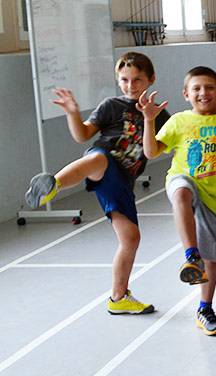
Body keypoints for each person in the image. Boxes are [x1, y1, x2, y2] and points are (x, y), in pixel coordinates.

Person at [24, 52, 169, 315]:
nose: (130, 85)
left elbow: (154, 151)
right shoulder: (111, 105)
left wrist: (151, 118)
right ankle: (54, 185)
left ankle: (118, 298)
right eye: (124, 80)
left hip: (124, 181)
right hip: (103, 163)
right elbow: (82, 135)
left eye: (137, 80)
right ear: (118, 80)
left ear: (151, 80)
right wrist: (72, 113)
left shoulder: (158, 113)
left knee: (131, 239)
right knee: (98, 158)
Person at [138, 66, 216, 335]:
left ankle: (205, 308)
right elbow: (151, 151)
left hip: (214, 196)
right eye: (197, 88)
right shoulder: (179, 121)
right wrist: (147, 119)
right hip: (183, 179)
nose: (204, 93)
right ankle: (191, 255)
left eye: (210, 88)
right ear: (186, 94)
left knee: (211, 257)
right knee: (181, 192)